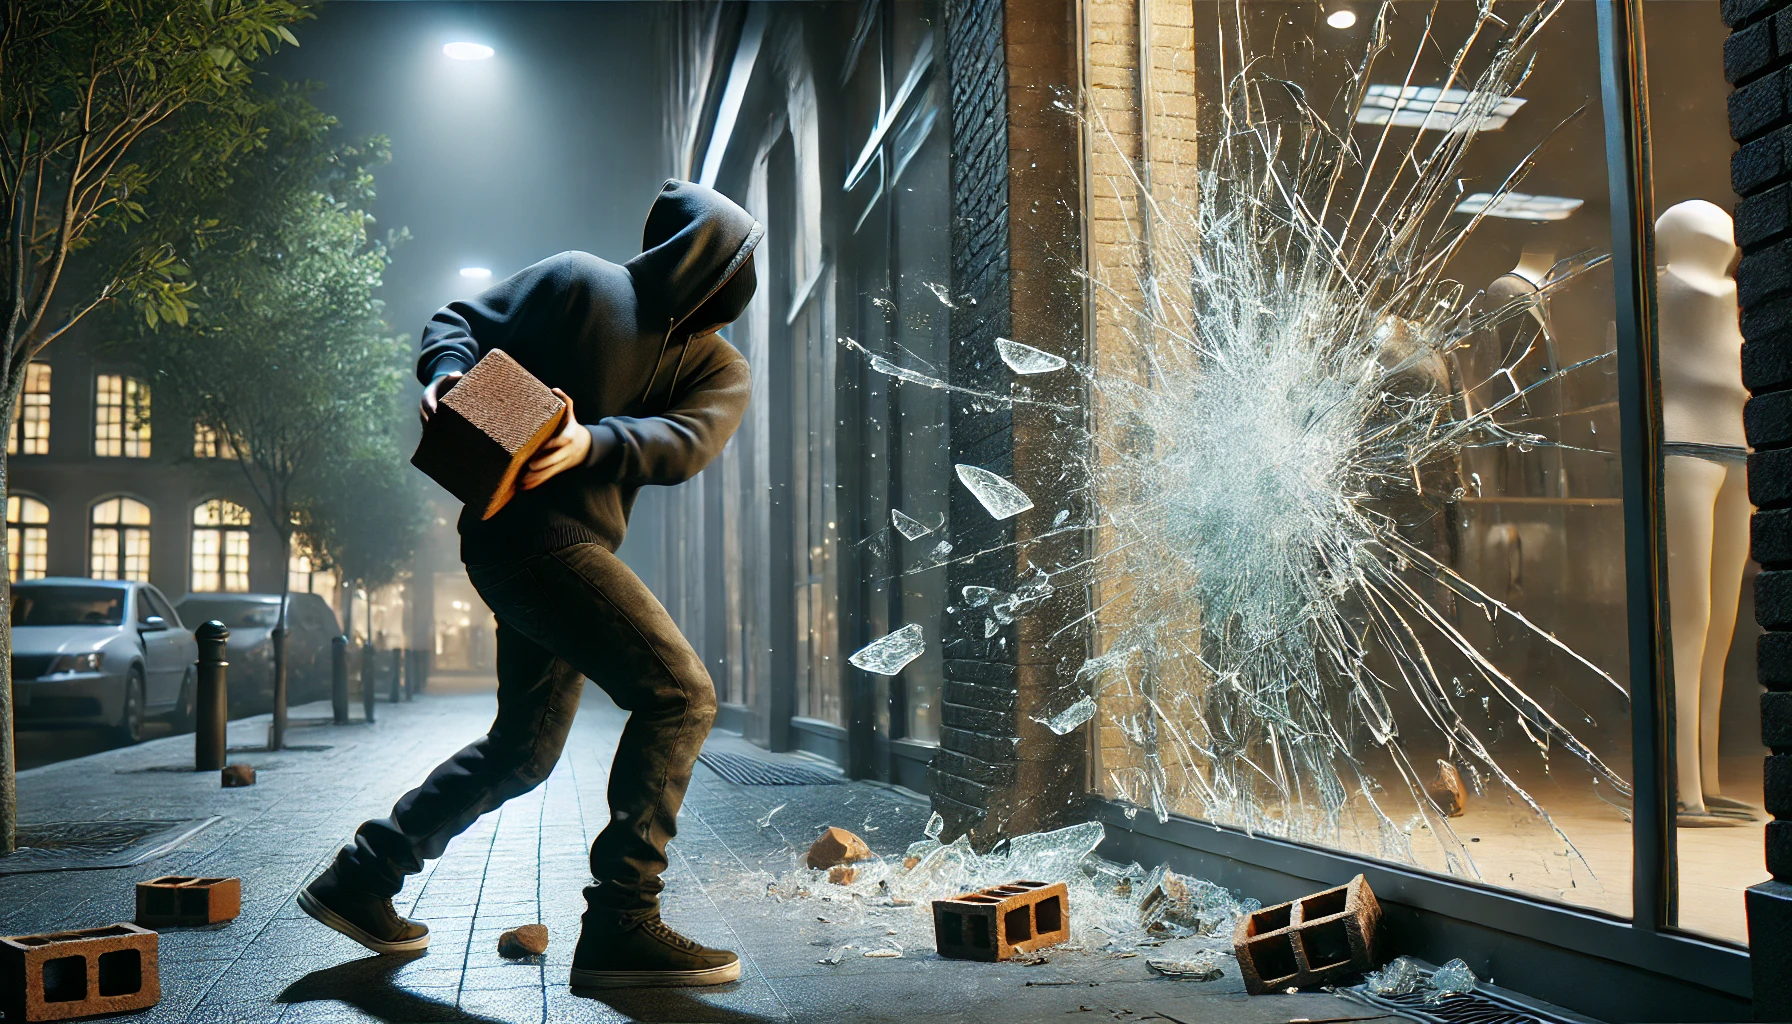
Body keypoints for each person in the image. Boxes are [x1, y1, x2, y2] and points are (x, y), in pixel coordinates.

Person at [297, 180, 761, 990]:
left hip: (560, 547)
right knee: (681, 696)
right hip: (529, 537)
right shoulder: (582, 282)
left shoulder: (718, 363)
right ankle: (623, 918)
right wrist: (445, 376)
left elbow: (688, 442)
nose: (736, 291)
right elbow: (462, 322)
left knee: (523, 750)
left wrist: (591, 442)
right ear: (695, 258)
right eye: (731, 269)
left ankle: (360, 879)